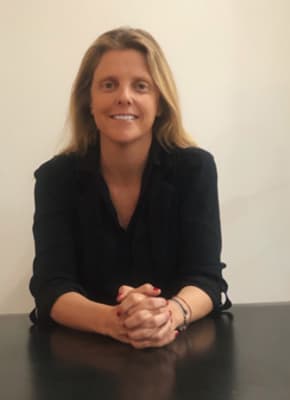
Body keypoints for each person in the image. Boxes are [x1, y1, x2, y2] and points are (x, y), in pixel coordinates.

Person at [29, 27, 230, 349]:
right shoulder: (56, 178)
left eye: (141, 86)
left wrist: (168, 316)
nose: (124, 97)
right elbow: (52, 286)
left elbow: (205, 278)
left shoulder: (195, 169)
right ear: (88, 100)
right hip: (82, 352)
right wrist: (113, 321)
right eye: (109, 85)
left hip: (180, 348)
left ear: (160, 102)